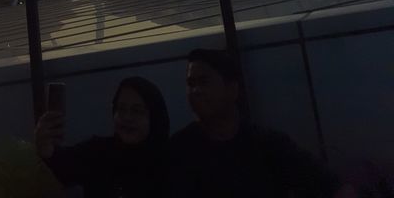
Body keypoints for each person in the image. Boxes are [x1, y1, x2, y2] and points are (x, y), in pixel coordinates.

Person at [170, 47, 340, 197]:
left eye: (204, 82)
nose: (195, 91)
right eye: (190, 84)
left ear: (232, 89)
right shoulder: (177, 152)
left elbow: (330, 186)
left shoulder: (270, 145)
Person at [34, 75, 170, 197]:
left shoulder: (172, 162)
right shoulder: (98, 153)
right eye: (121, 109)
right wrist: (45, 148)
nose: (127, 117)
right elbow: (60, 169)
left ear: (155, 117)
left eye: (137, 111)